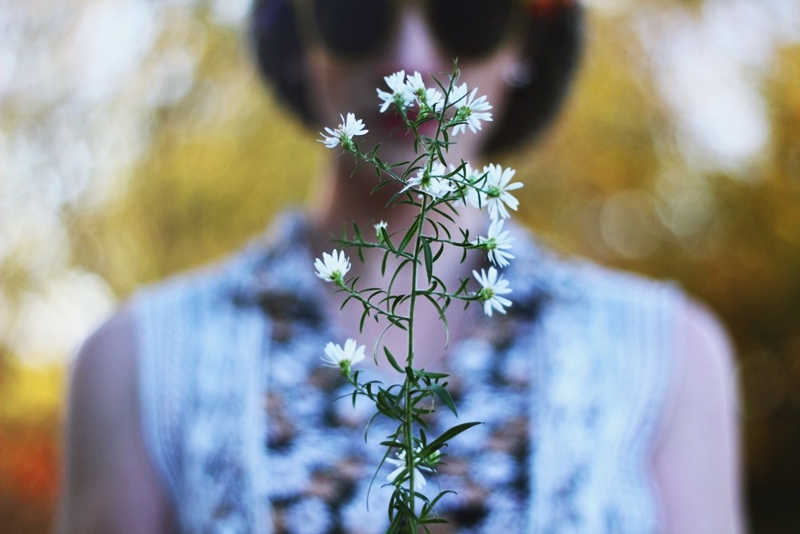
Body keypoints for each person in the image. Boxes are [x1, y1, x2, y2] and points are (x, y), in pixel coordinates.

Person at [58, 1, 744, 532]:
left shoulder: (664, 354)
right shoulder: (140, 360)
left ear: (526, 45)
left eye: (466, 15)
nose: (408, 63)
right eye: (355, 12)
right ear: (296, 39)